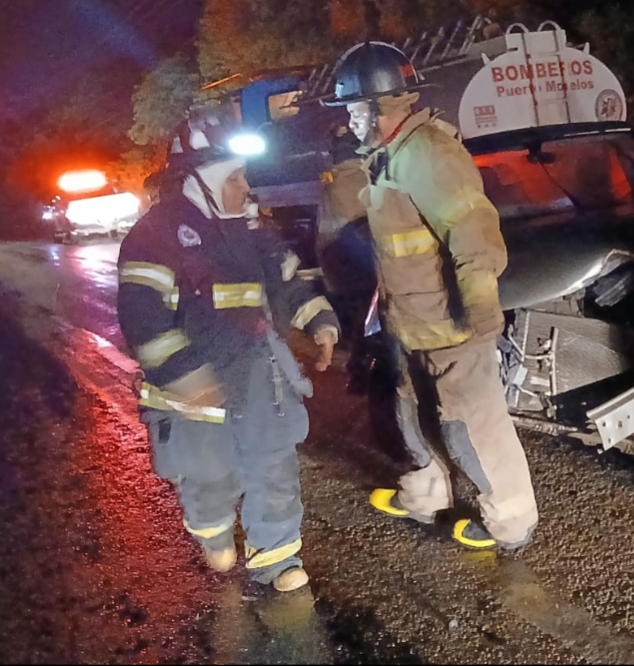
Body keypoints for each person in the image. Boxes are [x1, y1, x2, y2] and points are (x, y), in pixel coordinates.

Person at [323, 42, 538, 551]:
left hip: (451, 329)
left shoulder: (428, 153)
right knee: (409, 417)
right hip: (411, 325)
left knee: (471, 428)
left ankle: (511, 523)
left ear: (380, 107)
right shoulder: (388, 157)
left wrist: (482, 307)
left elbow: (473, 229)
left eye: (354, 109)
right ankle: (426, 497)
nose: (349, 121)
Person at [118, 103, 340, 592]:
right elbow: (142, 316)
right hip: (196, 387)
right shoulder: (153, 237)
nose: (245, 187)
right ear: (201, 179)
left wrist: (319, 320)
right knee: (208, 478)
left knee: (273, 465)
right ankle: (214, 531)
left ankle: (277, 562)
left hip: (259, 377)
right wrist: (185, 373)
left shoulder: (253, 233)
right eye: (235, 177)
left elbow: (288, 281)